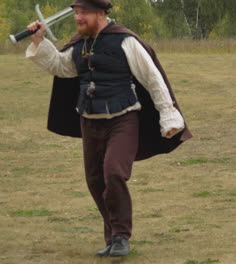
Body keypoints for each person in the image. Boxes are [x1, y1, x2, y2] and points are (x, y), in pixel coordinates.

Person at [25, 0, 192, 257]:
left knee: (114, 173)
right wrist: (39, 41)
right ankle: (114, 236)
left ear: (100, 13)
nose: (78, 18)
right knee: (94, 180)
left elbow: (152, 78)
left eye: (83, 13)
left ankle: (121, 236)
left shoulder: (125, 41)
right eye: (76, 13)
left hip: (123, 119)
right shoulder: (81, 44)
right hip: (89, 120)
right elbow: (61, 67)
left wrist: (168, 114)